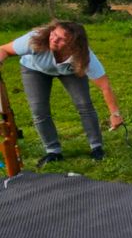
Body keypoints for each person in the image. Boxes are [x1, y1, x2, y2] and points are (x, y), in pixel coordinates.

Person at [0, 20, 124, 168]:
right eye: (53, 34)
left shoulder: (83, 56)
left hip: (70, 71)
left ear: (73, 44)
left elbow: (105, 86)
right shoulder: (34, 39)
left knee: (84, 104)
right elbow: (4, 49)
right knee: (39, 110)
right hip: (34, 69)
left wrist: (115, 114)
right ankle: (53, 151)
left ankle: (96, 147)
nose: (53, 39)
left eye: (61, 39)